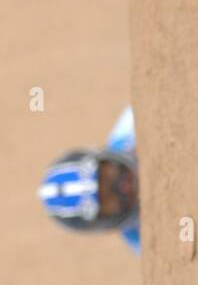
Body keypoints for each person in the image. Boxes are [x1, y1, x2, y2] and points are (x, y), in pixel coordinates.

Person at [38, 106, 138, 252]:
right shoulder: (145, 243)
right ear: (106, 221)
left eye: (110, 175)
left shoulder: (132, 126)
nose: (124, 187)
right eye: (109, 199)